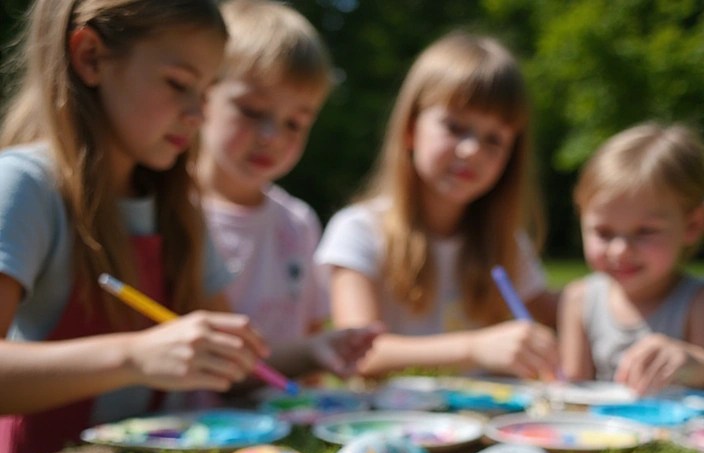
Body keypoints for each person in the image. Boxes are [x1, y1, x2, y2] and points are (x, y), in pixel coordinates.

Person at [0, 0, 269, 453]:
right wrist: (136, 356)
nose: (197, 114)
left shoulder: (178, 212)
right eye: (179, 84)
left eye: (206, 93)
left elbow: (228, 362)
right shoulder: (25, 186)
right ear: (90, 58)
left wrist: (309, 352)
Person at [314, 30, 559, 379]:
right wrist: (476, 347)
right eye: (455, 127)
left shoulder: (506, 242)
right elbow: (357, 354)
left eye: (494, 139)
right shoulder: (358, 231)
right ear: (410, 129)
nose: (472, 150)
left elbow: (557, 316)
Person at [198, 0, 377, 378]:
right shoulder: (172, 211)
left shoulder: (298, 222)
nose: (271, 137)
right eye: (251, 110)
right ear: (203, 96)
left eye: (295, 123)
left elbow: (312, 344)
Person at [559, 122, 704, 394]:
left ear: (693, 225)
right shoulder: (580, 300)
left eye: (646, 232)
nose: (620, 251)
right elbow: (573, 393)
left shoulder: (696, 303)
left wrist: (692, 363)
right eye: (603, 232)